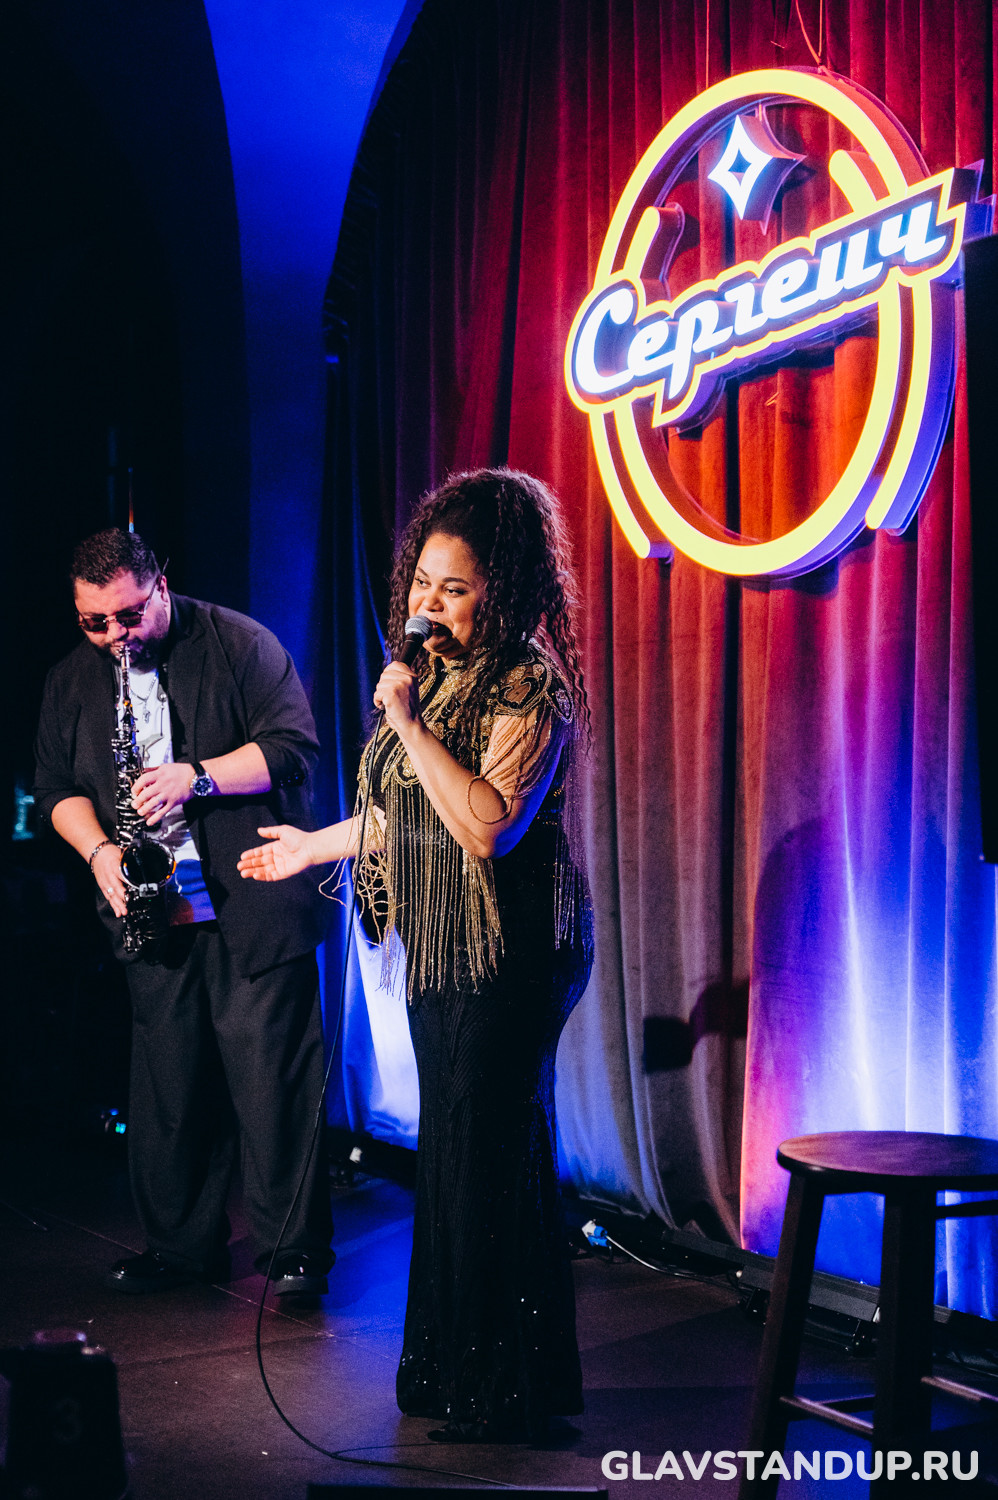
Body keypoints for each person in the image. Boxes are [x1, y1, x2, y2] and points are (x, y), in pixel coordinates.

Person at [238, 468, 593, 1441]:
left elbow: (484, 825)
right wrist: (312, 846)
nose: (429, 605)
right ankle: (460, 1375)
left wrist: (405, 721)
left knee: (484, 1159)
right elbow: (408, 812)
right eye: (423, 584)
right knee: (457, 1154)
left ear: (502, 590)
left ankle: (500, 1388)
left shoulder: (529, 684)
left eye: (455, 588)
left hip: (511, 949)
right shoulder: (437, 677)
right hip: (444, 944)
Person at [34, 528, 333, 1295]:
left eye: (131, 615)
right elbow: (56, 787)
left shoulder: (240, 643)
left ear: (161, 586)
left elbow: (292, 748)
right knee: (169, 1086)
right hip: (153, 903)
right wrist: (100, 853)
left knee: (272, 1085)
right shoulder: (73, 679)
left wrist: (195, 777)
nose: (115, 636)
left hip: (253, 895)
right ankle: (180, 1247)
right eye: (95, 623)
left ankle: (292, 1251)